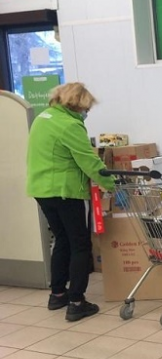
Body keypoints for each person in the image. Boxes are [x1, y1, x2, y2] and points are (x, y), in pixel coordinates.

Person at [26, 82, 115, 322]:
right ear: (77, 103)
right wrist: (114, 185)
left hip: (41, 190)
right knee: (80, 244)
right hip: (66, 191)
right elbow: (89, 162)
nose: (86, 113)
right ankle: (77, 302)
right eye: (86, 108)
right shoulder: (69, 125)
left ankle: (57, 294)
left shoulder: (43, 118)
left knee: (62, 239)